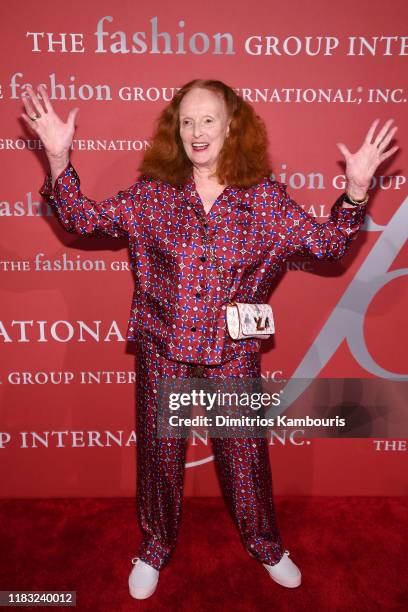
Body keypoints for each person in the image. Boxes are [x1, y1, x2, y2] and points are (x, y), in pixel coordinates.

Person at [21, 78, 398, 600]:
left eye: (208, 120)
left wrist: (356, 191)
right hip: (163, 345)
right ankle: (154, 547)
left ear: (231, 127)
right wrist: (59, 159)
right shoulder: (153, 195)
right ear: (176, 132)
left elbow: (328, 244)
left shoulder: (263, 200)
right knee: (160, 454)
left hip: (232, 351)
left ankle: (266, 545)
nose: (196, 131)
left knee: (244, 457)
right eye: (187, 121)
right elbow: (83, 218)